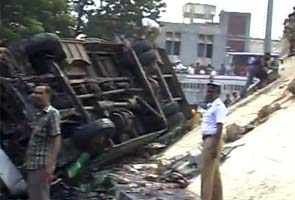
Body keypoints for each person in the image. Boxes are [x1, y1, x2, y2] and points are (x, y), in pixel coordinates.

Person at [26, 84, 61, 200]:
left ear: (48, 95)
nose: (36, 95)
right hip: (32, 164)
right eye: (35, 93)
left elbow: (56, 139)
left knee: (41, 196)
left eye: (40, 93)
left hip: (42, 165)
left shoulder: (52, 113)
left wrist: (51, 166)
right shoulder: (38, 115)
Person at [201, 83, 227, 200]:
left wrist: (214, 147)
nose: (208, 94)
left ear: (217, 93)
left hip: (212, 140)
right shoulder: (211, 106)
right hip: (208, 139)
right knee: (214, 175)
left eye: (210, 92)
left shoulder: (219, 107)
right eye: (207, 91)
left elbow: (220, 127)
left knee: (206, 175)